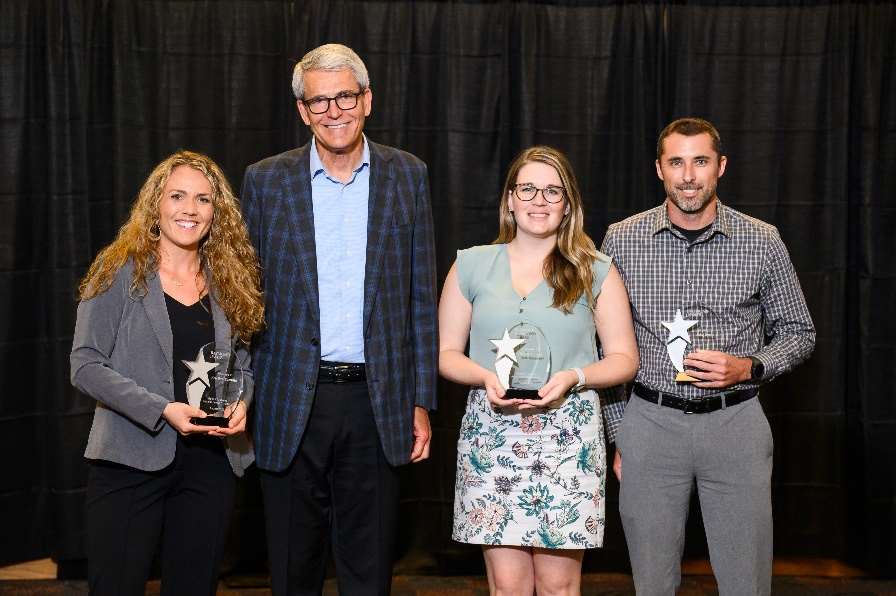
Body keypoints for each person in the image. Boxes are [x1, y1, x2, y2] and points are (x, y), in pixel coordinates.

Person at [240, 43, 438, 595]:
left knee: (369, 571)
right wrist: (242, 392)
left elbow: (420, 296)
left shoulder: (408, 175)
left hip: (378, 402)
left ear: (367, 99)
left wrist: (421, 399)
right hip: (288, 398)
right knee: (291, 569)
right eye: (319, 100)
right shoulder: (265, 181)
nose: (334, 110)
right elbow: (244, 296)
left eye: (345, 96)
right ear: (303, 111)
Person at [601, 117, 816, 595]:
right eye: (676, 162)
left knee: (746, 581)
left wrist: (751, 366)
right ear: (659, 169)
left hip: (734, 422)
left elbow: (800, 332)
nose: (688, 175)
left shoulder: (762, 240)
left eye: (700, 161)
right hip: (650, 424)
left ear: (720, 166)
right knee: (652, 582)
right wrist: (621, 434)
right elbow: (604, 345)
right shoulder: (622, 239)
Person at [439, 146, 639, 595]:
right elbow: (447, 354)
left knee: (557, 588)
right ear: (510, 198)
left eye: (553, 191)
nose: (540, 200)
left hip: (567, 437)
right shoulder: (471, 264)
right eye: (528, 188)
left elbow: (625, 359)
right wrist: (484, 377)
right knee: (507, 587)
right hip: (493, 435)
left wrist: (574, 378)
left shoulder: (595, 270)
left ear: (568, 204)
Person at [70, 151, 265, 595]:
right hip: (129, 459)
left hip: (211, 466)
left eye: (203, 199)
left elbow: (245, 368)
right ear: (156, 203)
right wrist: (162, 409)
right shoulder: (119, 271)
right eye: (177, 196)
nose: (190, 209)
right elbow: (84, 364)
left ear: (218, 212)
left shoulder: (230, 280)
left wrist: (241, 404)